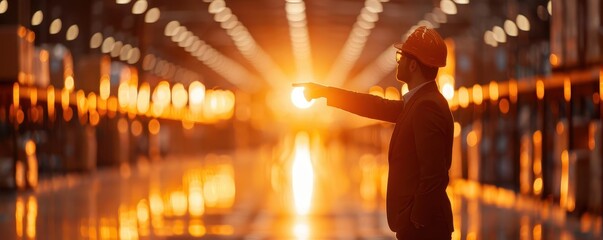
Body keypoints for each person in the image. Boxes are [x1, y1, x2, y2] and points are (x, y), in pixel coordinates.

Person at [293, 26, 454, 239]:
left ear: (413, 65)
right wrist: (325, 92)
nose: (398, 60)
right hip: (419, 227)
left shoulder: (426, 107)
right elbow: (374, 105)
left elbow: (434, 174)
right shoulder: (418, 103)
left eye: (401, 56)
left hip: (424, 229)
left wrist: (415, 220)